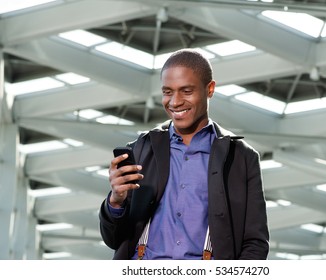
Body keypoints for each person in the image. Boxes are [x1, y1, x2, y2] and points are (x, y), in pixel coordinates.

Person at [99, 48, 269, 260]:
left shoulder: (241, 159)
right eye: (167, 92)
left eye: (186, 91)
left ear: (210, 89)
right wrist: (116, 201)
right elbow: (113, 239)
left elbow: (255, 242)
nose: (175, 102)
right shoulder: (141, 149)